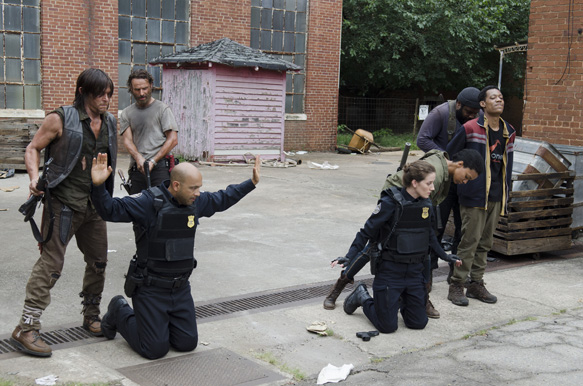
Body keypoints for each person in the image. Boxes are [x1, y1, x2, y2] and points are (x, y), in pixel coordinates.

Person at [90, 153, 261, 360]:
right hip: (150, 289)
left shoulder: (195, 203)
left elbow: (222, 198)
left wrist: (251, 183)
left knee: (186, 343)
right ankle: (119, 310)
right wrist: (98, 187)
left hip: (180, 289)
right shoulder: (148, 202)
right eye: (193, 188)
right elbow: (110, 210)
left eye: (199, 187)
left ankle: (158, 325)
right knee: (154, 349)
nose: (198, 193)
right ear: (177, 185)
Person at [11, 69, 117, 357]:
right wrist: (34, 179)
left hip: (94, 206)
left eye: (109, 93)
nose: (106, 99)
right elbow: (33, 149)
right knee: (51, 265)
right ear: (83, 91)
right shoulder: (60, 119)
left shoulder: (109, 123)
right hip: (63, 205)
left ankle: (91, 315)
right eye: (100, 94)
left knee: (98, 262)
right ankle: (27, 327)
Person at [324, 148, 484, 319]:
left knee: (421, 250)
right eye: (466, 176)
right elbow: (402, 195)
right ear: (460, 164)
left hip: (413, 204)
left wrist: (443, 255)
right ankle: (339, 287)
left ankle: (420, 298)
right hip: (398, 203)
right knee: (375, 246)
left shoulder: (442, 169)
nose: (465, 181)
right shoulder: (435, 174)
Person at [341, 160, 462, 334]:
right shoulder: (390, 203)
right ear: (414, 183)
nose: (432, 188)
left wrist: (445, 256)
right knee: (388, 327)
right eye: (429, 183)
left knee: (418, 323)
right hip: (390, 272)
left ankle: (395, 302)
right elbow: (366, 232)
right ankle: (362, 296)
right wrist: (349, 255)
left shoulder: (427, 205)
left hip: (414, 272)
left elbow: (429, 236)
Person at [446, 85, 515, 306]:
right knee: (469, 241)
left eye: (501, 97)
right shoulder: (469, 128)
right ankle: (457, 284)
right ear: (482, 104)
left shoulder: (509, 131)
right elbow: (451, 155)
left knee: (485, 243)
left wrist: (506, 192)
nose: (499, 100)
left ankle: (476, 283)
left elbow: (508, 167)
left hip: (496, 195)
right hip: (474, 195)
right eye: (493, 97)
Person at [120, 69, 178, 193]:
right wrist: (138, 158)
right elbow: (127, 141)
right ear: (131, 89)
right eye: (137, 89)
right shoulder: (126, 113)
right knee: (136, 208)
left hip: (160, 168)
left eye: (145, 88)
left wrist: (153, 160)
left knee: (162, 206)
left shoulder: (163, 109)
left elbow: (173, 139)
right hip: (138, 168)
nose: (141, 93)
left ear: (151, 86)